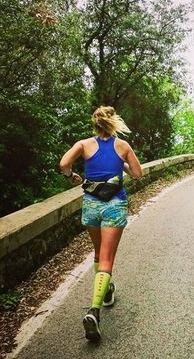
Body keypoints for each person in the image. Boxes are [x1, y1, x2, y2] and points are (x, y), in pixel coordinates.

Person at [59, 105, 143, 342]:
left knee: (98, 252)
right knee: (107, 258)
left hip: (92, 205)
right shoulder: (122, 146)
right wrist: (122, 163)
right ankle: (94, 310)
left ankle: (107, 292)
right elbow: (138, 174)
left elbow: (64, 164)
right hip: (114, 204)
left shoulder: (83, 145)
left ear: (95, 124)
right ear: (113, 122)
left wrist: (72, 177)